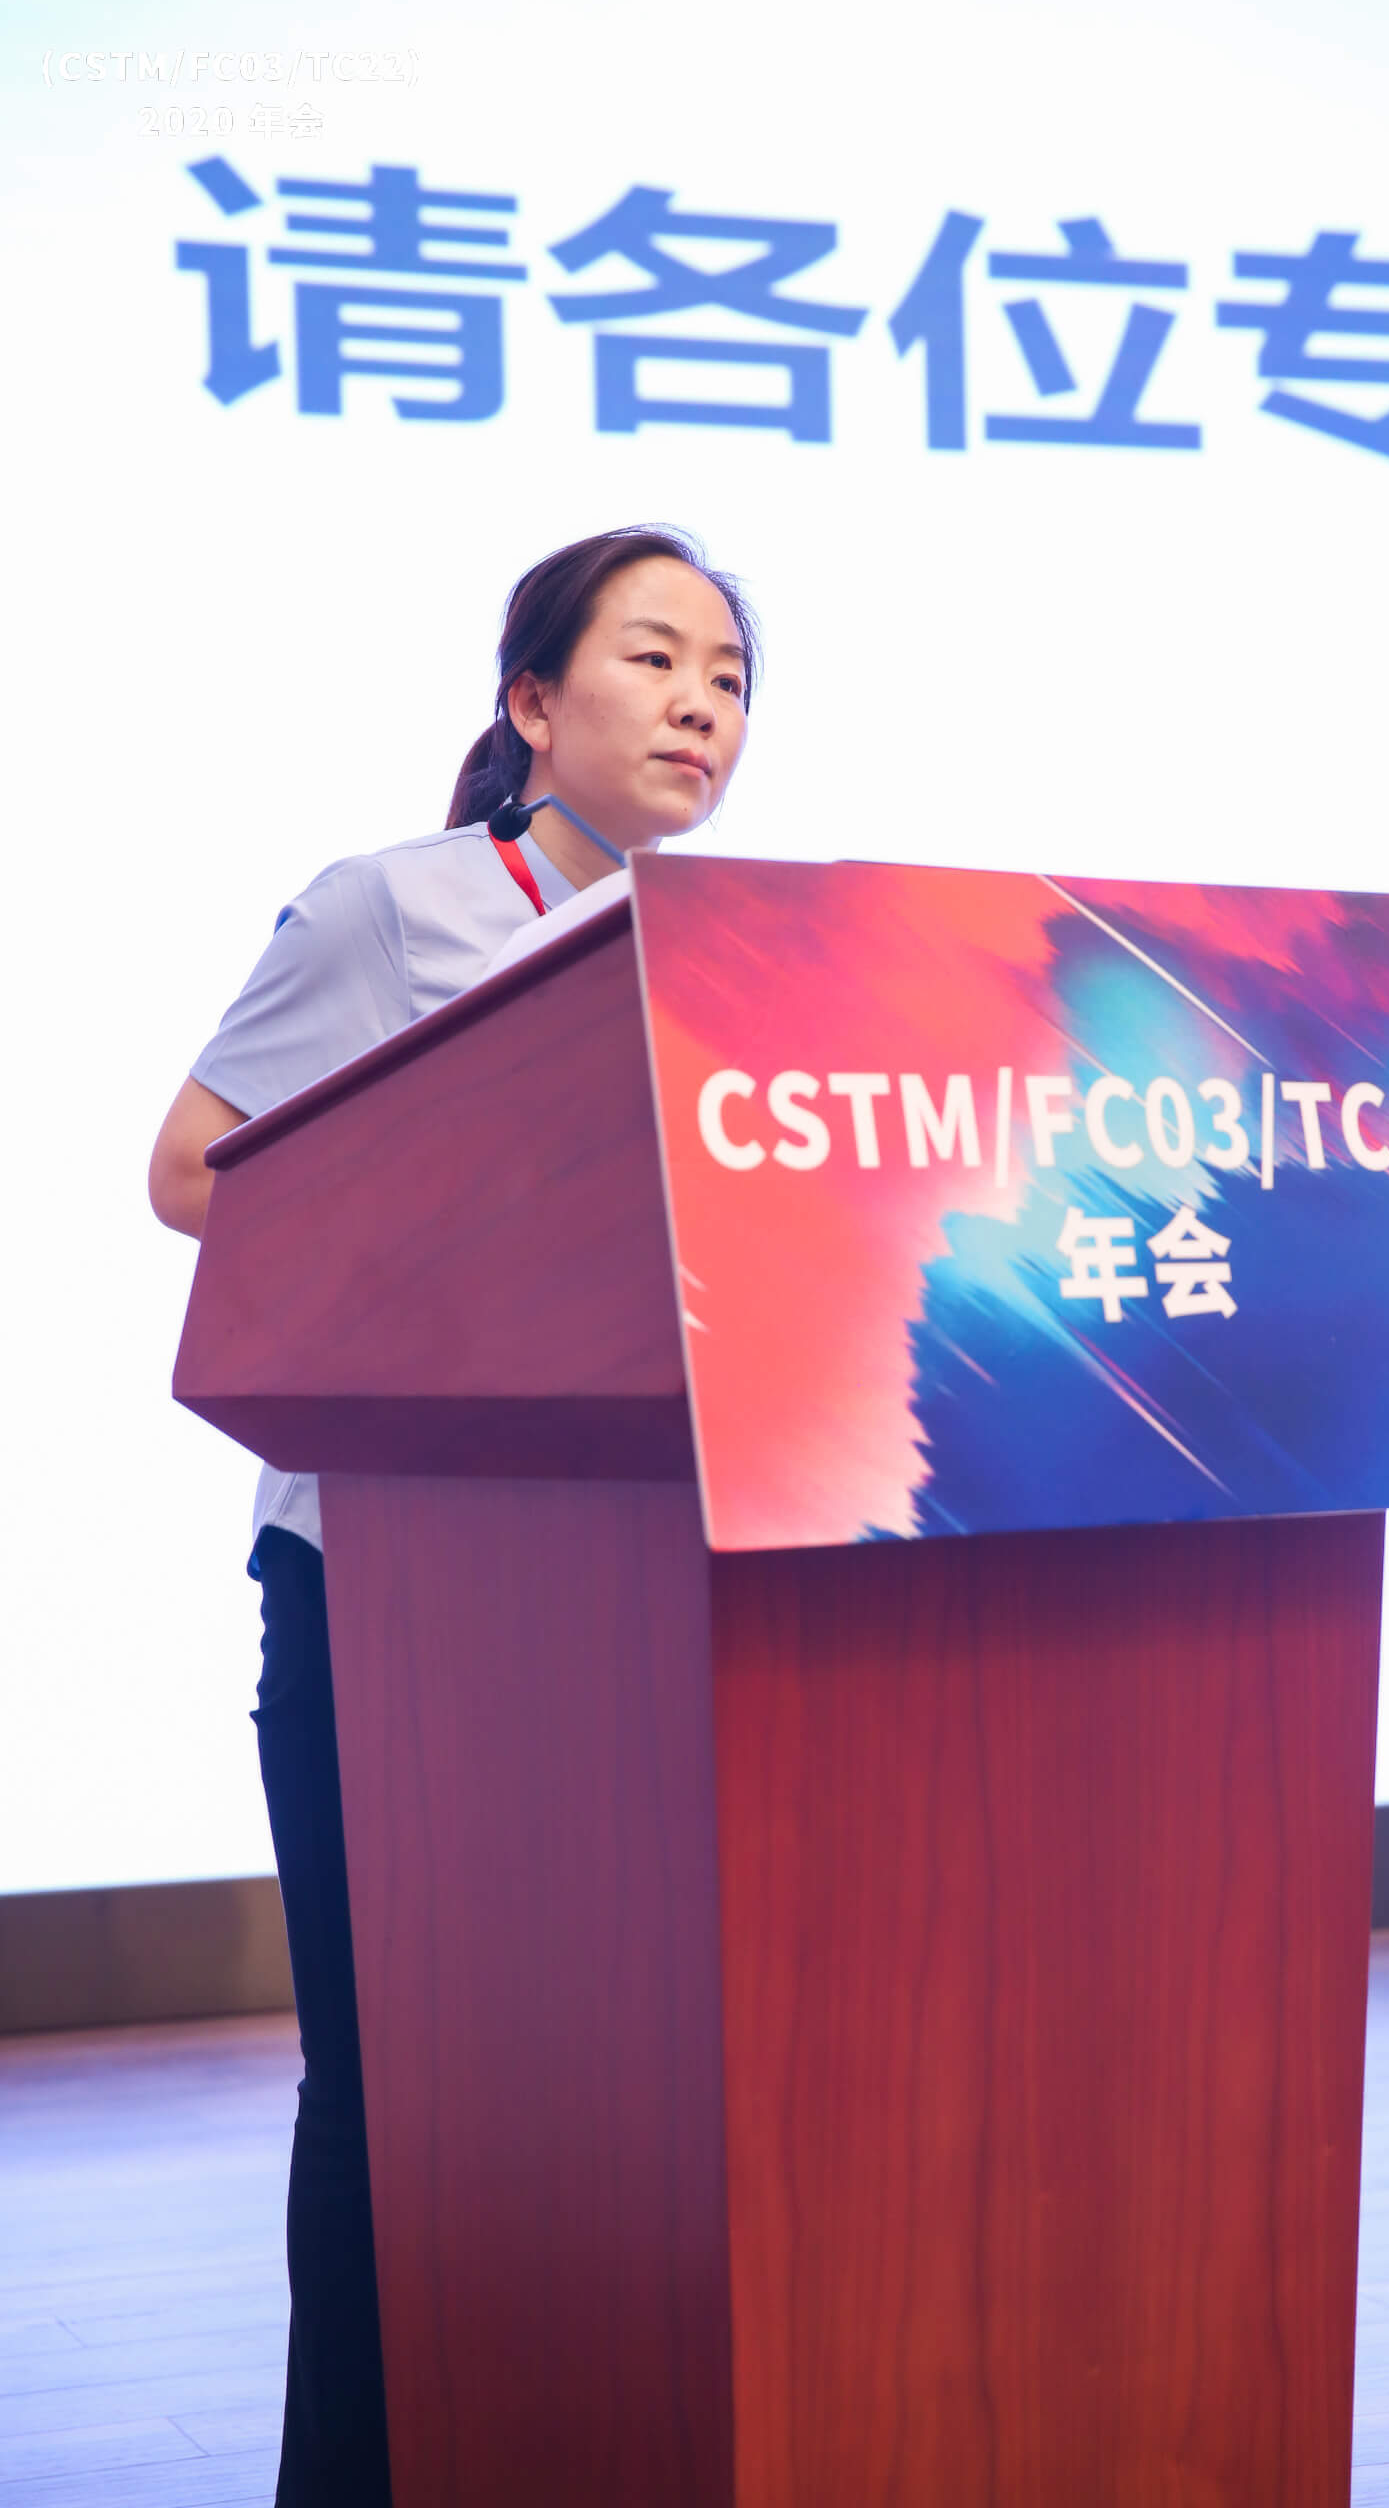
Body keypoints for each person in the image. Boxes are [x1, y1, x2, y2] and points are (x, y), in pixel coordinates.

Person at [148, 525, 756, 2507]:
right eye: (654, 658)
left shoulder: (731, 948)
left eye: (729, 679)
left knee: (584, 2077)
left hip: (628, 1588)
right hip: (383, 1579)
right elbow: (193, 1170)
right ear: (529, 703)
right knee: (392, 2075)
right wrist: (444, 1230)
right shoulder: (387, 908)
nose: (699, 704)